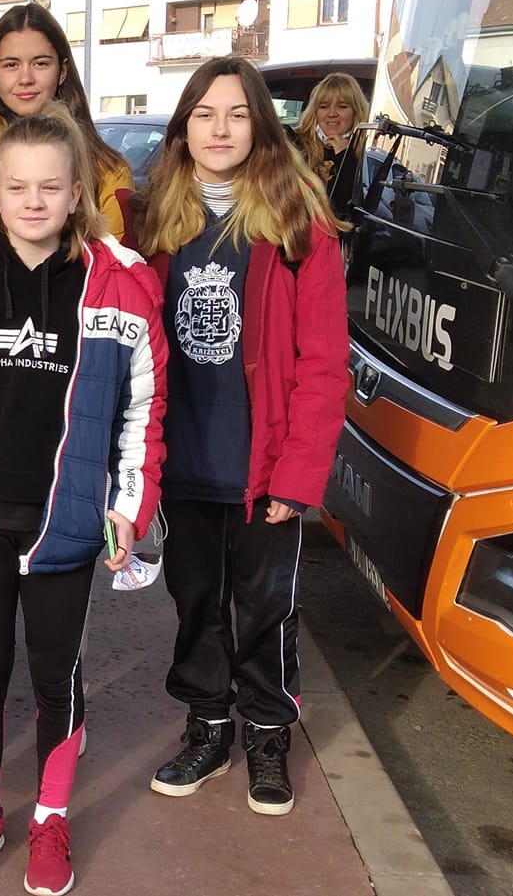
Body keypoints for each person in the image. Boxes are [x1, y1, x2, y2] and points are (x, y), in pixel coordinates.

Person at [0, 105, 167, 895]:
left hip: (66, 524)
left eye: (51, 186)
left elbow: (144, 411)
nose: (34, 200)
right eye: (17, 186)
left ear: (78, 192)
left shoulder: (120, 288)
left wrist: (127, 508)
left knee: (56, 676)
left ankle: (50, 816)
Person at [130, 55, 349, 816]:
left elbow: (324, 366)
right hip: (182, 458)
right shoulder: (152, 223)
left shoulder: (298, 228)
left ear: (260, 125)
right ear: (182, 128)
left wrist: (299, 476)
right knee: (195, 601)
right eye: (204, 114)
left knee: (265, 608)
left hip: (264, 466)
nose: (219, 129)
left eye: (236, 114)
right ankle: (209, 726)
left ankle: (267, 731)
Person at [0, 3, 134, 248]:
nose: (25, 78)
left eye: (40, 63)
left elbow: (118, 264)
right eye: (11, 65)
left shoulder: (108, 173)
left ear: (62, 71)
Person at [292, 72, 370, 222]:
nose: (332, 113)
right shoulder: (295, 144)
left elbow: (342, 211)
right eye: (324, 106)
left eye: (342, 106)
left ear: (355, 112)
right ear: (315, 111)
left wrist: (345, 157)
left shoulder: (360, 153)